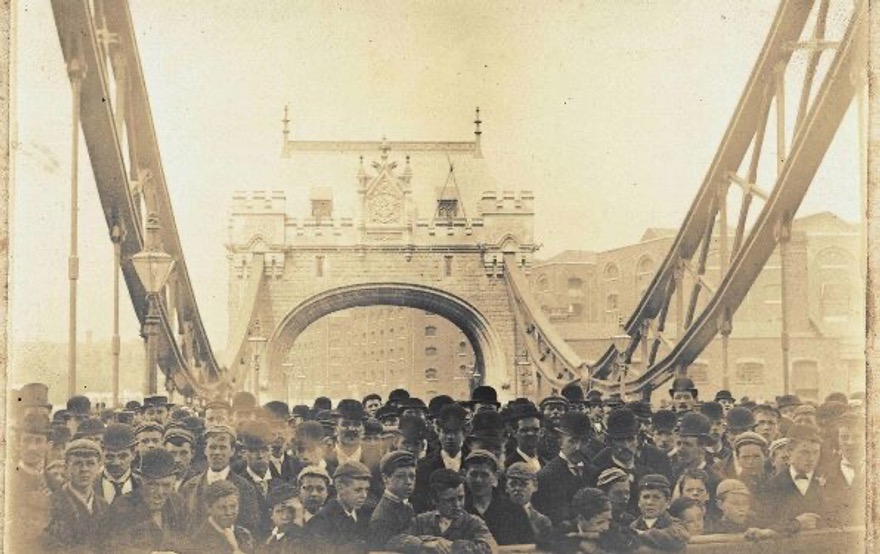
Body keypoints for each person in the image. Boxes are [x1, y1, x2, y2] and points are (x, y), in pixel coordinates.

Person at [386, 468, 497, 554]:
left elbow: (490, 547)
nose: (457, 505)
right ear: (435, 500)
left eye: (460, 498)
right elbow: (394, 542)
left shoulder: (473, 522)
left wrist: (453, 546)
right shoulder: (421, 521)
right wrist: (425, 543)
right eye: (450, 500)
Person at [102, 448, 190, 553]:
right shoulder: (123, 507)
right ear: (140, 481)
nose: (159, 492)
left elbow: (190, 542)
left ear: (174, 481)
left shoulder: (178, 503)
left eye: (166, 485)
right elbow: (113, 548)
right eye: (152, 484)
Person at [180, 424, 261, 534]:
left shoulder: (245, 487)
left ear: (232, 451)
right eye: (212, 447)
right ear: (205, 450)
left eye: (223, 447)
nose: (217, 452)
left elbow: (251, 528)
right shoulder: (189, 486)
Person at [41, 439, 110, 552]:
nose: (84, 469)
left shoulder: (104, 506)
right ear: (66, 468)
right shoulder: (52, 504)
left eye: (90, 463)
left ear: (98, 468)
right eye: (77, 463)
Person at [758, 423, 829, 531]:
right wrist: (796, 524)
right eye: (804, 452)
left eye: (816, 452)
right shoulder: (772, 486)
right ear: (789, 452)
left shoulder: (830, 481)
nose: (811, 458)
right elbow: (766, 525)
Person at [533, 411, 597, 527]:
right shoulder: (545, 476)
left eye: (583, 441)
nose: (578, 447)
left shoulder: (593, 472)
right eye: (572, 441)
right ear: (560, 441)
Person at [463, 449, 534, 545]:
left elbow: (528, 546)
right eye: (473, 474)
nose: (478, 480)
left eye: (484, 475)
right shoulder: (459, 507)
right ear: (464, 475)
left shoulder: (514, 510)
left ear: (495, 476)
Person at [304, 460, 374, 552]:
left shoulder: (368, 512)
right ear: (339, 487)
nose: (364, 495)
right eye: (358, 490)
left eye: (366, 490)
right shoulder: (321, 521)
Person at [9, 413, 53, 553]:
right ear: (17, 444)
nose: (32, 447)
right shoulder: (8, 481)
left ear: (48, 445)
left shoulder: (55, 484)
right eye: (26, 440)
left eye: (39, 441)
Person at [412, 403, 468, 513]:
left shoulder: (472, 464)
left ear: (464, 434)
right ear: (438, 432)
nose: (450, 437)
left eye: (455, 432)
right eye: (446, 432)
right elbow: (419, 503)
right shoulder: (423, 466)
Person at [186, 480, 256, 554]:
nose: (229, 512)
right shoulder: (198, 540)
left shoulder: (245, 534)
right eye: (222, 507)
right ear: (208, 507)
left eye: (233, 506)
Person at [369, 451, 418, 549]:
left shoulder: (406, 505)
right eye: (400, 476)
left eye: (412, 476)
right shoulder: (382, 517)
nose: (408, 482)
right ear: (385, 478)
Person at [630, 474, 689, 551]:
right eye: (645, 497)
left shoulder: (676, 525)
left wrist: (641, 534)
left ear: (667, 502)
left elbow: (678, 536)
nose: (650, 502)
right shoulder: (633, 526)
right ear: (639, 502)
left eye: (656, 497)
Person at [505, 462, 553, 544]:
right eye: (513, 484)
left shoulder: (542, 521)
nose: (517, 488)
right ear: (506, 487)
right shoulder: (498, 515)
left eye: (523, 484)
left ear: (535, 486)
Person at [98, 423, 138, 504]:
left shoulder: (143, 486)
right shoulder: (88, 485)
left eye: (123, 456)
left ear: (133, 454)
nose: (116, 463)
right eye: (110, 457)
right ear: (101, 452)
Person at [262, 483, 305, 553]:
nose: (285, 517)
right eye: (279, 511)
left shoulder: (306, 538)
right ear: (271, 514)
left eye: (291, 511)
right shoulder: (265, 538)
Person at [164, 426, 199, 491]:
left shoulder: (200, 483)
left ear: (192, 454)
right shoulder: (157, 481)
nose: (177, 459)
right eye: (172, 454)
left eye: (183, 453)